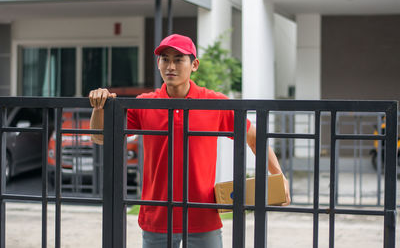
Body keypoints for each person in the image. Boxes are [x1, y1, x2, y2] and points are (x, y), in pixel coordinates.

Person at [89, 34, 290, 248]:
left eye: (178, 59)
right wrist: (99, 108)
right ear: (158, 64)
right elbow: (100, 137)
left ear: (194, 64)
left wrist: (279, 177)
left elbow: (254, 138)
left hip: (203, 216)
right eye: (165, 59)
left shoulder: (214, 103)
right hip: (157, 216)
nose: (170, 66)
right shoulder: (144, 103)